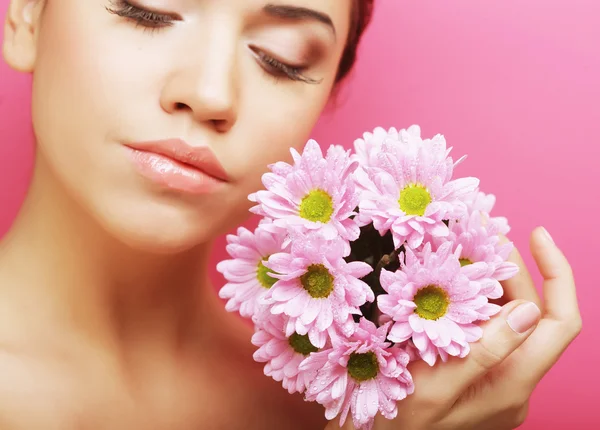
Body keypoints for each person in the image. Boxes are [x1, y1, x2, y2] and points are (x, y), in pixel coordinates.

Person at [0, 0, 581, 429]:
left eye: (280, 59)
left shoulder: (345, 406)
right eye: (147, 10)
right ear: (26, 15)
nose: (210, 94)